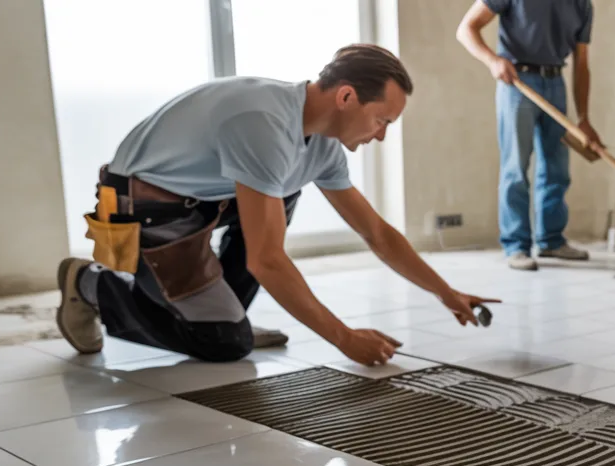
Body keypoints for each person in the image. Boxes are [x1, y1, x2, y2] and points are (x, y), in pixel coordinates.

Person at [56, 44, 496, 366]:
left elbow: (376, 233)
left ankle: (221, 312)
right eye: (381, 120)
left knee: (284, 189)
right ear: (345, 98)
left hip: (206, 203)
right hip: (144, 208)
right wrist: (343, 338)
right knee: (225, 344)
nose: (381, 135)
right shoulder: (263, 123)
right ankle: (91, 283)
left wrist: (446, 293)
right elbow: (267, 260)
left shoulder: (322, 145)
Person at [457, 0, 598, 271]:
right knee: (516, 169)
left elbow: (581, 63)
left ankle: (551, 241)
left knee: (557, 170)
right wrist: (493, 60)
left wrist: (583, 119)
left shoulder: (583, 5)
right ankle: (516, 246)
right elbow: (466, 29)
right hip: (517, 82)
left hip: (555, 81)